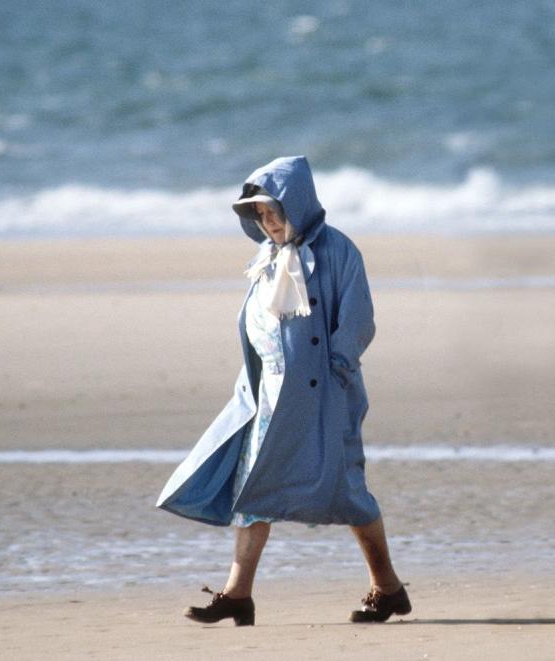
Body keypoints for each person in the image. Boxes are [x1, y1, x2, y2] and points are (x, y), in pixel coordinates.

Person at [156, 155, 410, 626]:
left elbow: (357, 320)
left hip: (324, 397)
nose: (269, 223)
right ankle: (237, 595)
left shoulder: (338, 252)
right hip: (269, 397)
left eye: (275, 212)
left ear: (298, 204)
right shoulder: (266, 257)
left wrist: (336, 368)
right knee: (255, 488)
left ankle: (388, 587)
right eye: (261, 215)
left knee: (349, 492)